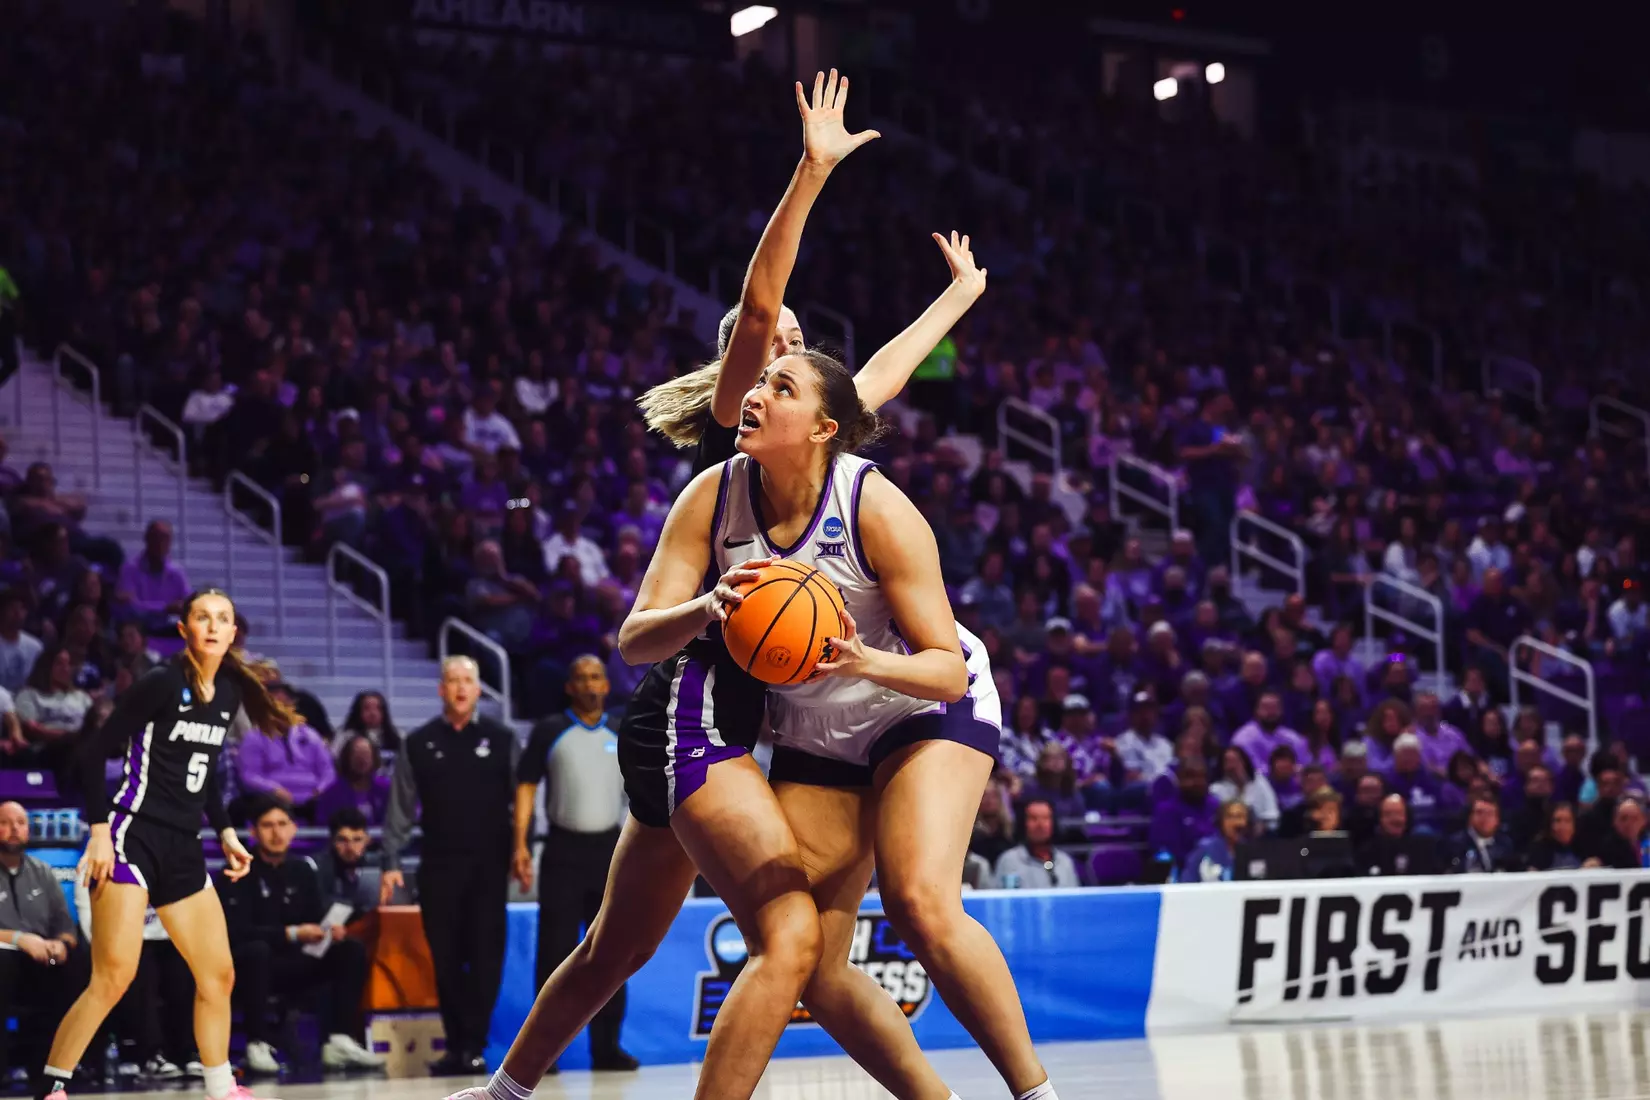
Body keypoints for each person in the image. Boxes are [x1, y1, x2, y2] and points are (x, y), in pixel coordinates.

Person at [465, 69, 990, 1100]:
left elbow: (878, 371)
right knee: (790, 938)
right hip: (692, 705)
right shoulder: (739, 428)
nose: (793, 350)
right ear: (745, 374)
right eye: (780, 349)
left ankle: (502, 1090)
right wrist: (811, 170)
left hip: (746, 719)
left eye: (800, 352)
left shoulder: (820, 437)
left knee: (615, 948)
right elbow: (760, 297)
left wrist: (962, 296)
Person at [40, 588, 290, 1100]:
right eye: (203, 617)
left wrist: (224, 830)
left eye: (224, 619)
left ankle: (221, 1087)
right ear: (184, 630)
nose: (214, 627)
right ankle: (53, 1088)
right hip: (132, 836)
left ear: (234, 632)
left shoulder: (229, 693)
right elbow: (91, 755)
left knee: (218, 975)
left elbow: (206, 775)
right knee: (114, 976)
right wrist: (99, 834)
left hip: (183, 846)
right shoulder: (160, 683)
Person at [381, 656, 519, 1076]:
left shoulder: (502, 738)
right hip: (438, 865)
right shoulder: (419, 742)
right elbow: (400, 807)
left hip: (489, 866)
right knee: (445, 957)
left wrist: (522, 849)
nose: (460, 688)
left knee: (484, 956)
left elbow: (522, 804)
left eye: (468, 681)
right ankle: (455, 1045)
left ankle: (474, 1044)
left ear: (479, 690)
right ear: (441, 689)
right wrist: (391, 859)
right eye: (452, 681)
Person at [512, 656, 634, 1072]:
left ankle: (607, 1049)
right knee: (554, 955)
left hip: (609, 852)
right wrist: (520, 843)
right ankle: (546, 1055)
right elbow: (526, 784)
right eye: (580, 677)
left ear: (605, 685)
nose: (588, 684)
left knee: (612, 951)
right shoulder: (550, 730)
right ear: (569, 686)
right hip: (562, 852)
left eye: (595, 677)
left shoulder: (622, 729)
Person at [219, 798, 382, 1074]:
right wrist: (292, 933)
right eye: (268, 825)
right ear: (254, 832)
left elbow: (316, 916)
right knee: (257, 950)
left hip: (298, 962)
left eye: (283, 824)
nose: (276, 832)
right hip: (253, 966)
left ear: (294, 829)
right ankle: (257, 1043)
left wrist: (329, 930)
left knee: (350, 949)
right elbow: (236, 931)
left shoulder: (303, 869)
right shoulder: (238, 871)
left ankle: (340, 1039)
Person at [0, 801, 90, 1083]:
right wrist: (18, 938)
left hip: (41, 959)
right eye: (6, 822)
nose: (15, 829)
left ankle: (62, 1064)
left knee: (80, 962)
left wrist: (61, 944)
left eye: (21, 823)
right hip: (5, 959)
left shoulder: (43, 871)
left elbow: (64, 925)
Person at [992, 798, 1079, 888]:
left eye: (1045, 818)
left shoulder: (1065, 862)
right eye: (1033, 818)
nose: (1040, 824)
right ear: (1024, 823)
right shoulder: (1009, 861)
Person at [312, 808, 379, 918]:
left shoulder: (378, 866)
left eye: (357, 840)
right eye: (342, 840)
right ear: (332, 841)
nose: (350, 848)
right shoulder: (318, 869)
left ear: (368, 840)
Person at [313, 734, 391, 826]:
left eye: (366, 754)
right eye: (357, 755)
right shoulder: (332, 793)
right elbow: (323, 826)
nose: (362, 760)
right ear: (347, 759)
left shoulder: (386, 788)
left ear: (374, 758)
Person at [1182, 799, 1249, 882]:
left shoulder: (1254, 850)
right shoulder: (1204, 849)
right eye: (1230, 817)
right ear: (1220, 821)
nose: (1235, 823)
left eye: (1239, 817)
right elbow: (1187, 881)